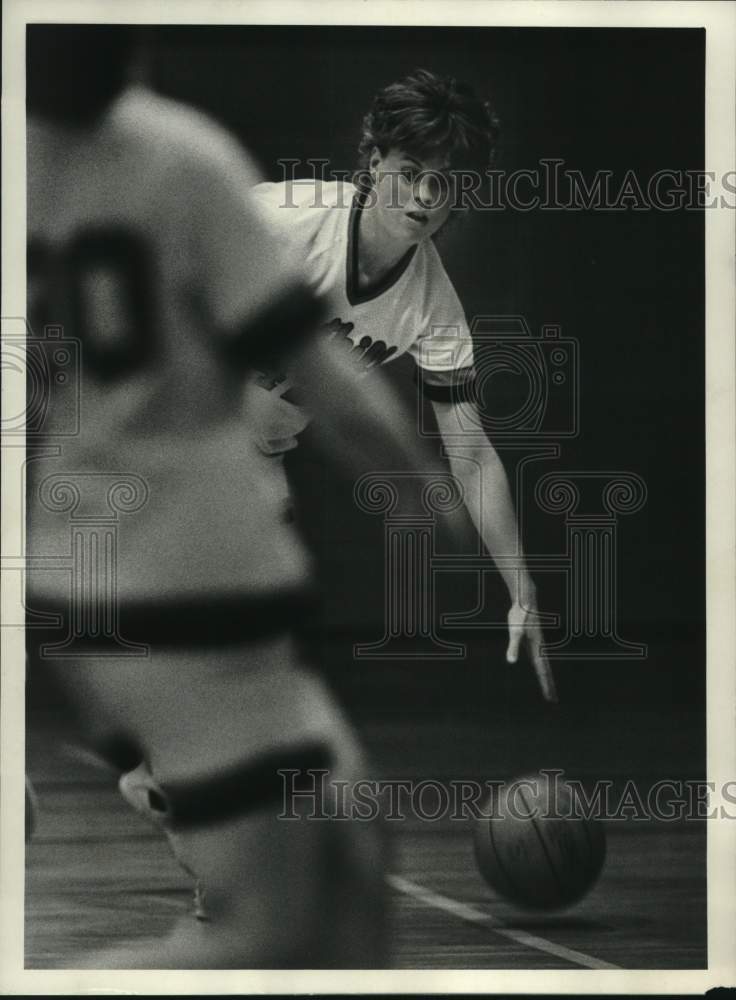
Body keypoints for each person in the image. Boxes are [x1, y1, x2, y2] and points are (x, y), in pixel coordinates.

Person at [25, 26, 443, 968]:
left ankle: (156, 773)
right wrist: (416, 483)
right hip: (183, 590)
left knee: (356, 858)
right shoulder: (177, 159)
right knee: (273, 933)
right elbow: (322, 375)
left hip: (123, 581)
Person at [248, 68, 557, 702]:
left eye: (443, 182)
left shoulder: (433, 307)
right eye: (409, 170)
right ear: (372, 160)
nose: (423, 195)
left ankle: (153, 767)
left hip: (255, 461)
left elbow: (471, 457)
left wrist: (521, 587)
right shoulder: (283, 221)